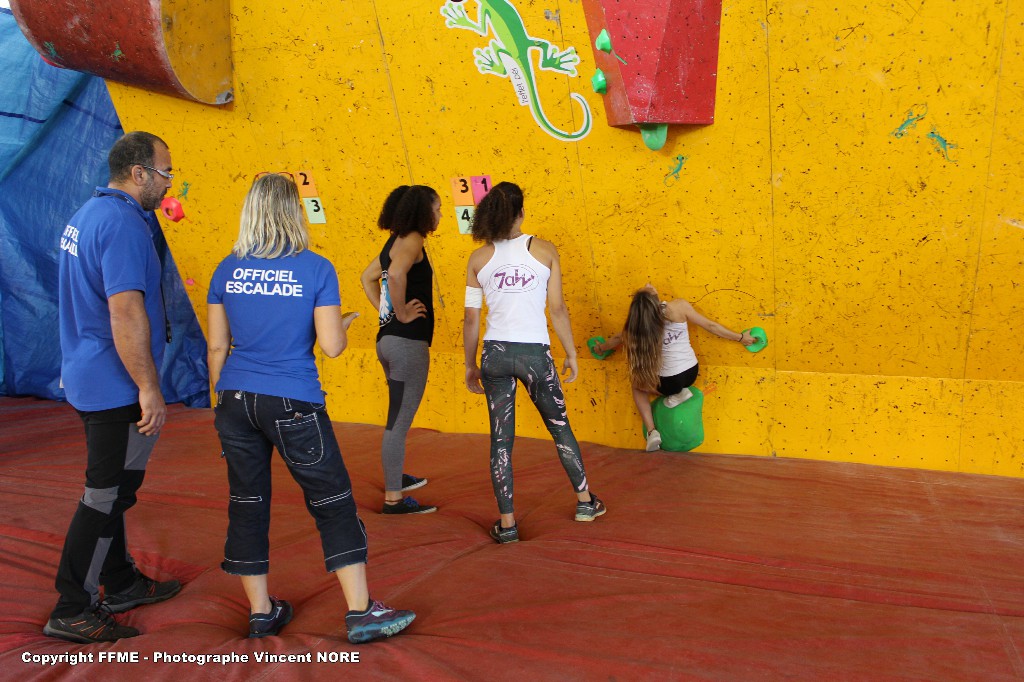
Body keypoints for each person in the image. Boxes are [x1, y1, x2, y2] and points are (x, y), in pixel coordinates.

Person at [207, 173, 414, 643]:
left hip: (234, 399)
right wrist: (342, 322)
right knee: (332, 502)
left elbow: (217, 348)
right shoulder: (316, 269)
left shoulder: (226, 269)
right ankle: (361, 612)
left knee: (247, 504)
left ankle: (261, 612)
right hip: (292, 400)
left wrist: (220, 406)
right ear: (293, 212)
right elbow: (332, 347)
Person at [46, 131, 182, 644]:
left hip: (89, 372)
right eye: (165, 173)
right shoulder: (123, 224)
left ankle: (120, 581)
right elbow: (124, 311)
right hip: (114, 383)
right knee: (105, 494)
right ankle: (71, 607)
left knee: (115, 490)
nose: (169, 184)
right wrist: (148, 386)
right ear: (139, 173)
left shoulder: (89, 214)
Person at [463, 181, 606, 544]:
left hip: (495, 355)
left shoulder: (478, 259)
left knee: (500, 440)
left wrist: (470, 363)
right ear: (522, 213)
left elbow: (471, 319)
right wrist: (571, 352)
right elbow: (557, 309)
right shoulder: (544, 251)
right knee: (560, 428)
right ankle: (585, 503)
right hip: (535, 356)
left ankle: (508, 524)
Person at [593, 285, 756, 451]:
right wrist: (741, 338)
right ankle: (679, 393)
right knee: (659, 380)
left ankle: (652, 431)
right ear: (656, 299)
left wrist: (600, 349)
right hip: (691, 372)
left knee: (637, 386)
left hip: (668, 383)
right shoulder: (679, 307)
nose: (648, 284)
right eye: (648, 288)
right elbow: (711, 326)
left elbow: (616, 340)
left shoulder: (636, 327)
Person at [360, 185, 441, 515]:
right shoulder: (413, 240)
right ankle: (393, 499)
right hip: (407, 344)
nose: (440, 215)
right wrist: (402, 313)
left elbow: (367, 278)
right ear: (423, 211)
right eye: (437, 209)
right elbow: (394, 274)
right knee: (398, 423)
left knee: (396, 418)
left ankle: (396, 476)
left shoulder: (393, 242)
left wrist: (387, 314)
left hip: (387, 341)